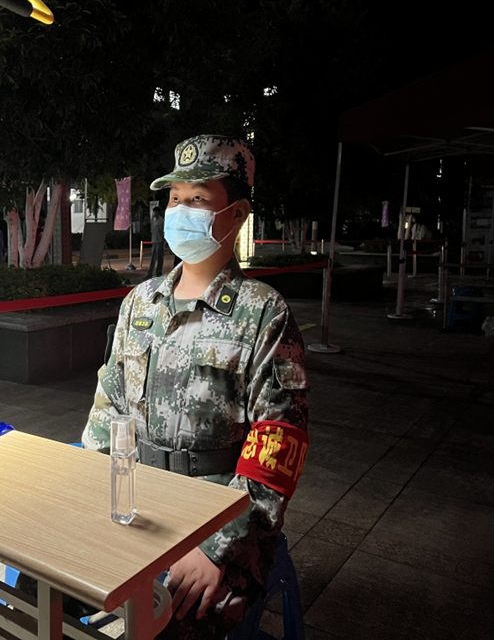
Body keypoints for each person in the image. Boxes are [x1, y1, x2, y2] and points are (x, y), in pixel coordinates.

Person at [83, 136, 309, 638]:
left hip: (217, 518)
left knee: (168, 627)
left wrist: (216, 546)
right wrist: (88, 497)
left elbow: (277, 448)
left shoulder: (263, 312)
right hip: (135, 501)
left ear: (237, 214)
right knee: (40, 594)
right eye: (174, 199)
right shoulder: (140, 303)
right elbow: (108, 406)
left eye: (198, 199)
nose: (180, 211)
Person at [147, 206, 165, 277]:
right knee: (153, 258)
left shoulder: (161, 221)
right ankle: (150, 272)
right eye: (153, 212)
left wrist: (163, 241)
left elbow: (163, 231)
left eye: (155, 212)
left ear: (158, 212)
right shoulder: (154, 221)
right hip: (154, 241)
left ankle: (159, 272)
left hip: (159, 242)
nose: (154, 213)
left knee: (159, 258)